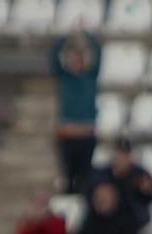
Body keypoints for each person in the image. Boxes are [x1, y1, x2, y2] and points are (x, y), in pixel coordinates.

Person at [50, 29, 102, 193]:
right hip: (68, 133)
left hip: (85, 133)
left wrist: (86, 34)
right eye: (72, 58)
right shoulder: (64, 77)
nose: (75, 62)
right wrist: (66, 36)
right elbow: (53, 56)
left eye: (78, 58)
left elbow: (99, 53)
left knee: (85, 174)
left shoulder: (90, 77)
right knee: (68, 175)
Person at [86, 140, 152, 230]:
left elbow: (149, 196)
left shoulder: (139, 174)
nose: (122, 158)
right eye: (120, 154)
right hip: (103, 218)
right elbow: (90, 193)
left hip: (129, 219)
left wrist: (147, 190)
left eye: (125, 155)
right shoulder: (101, 174)